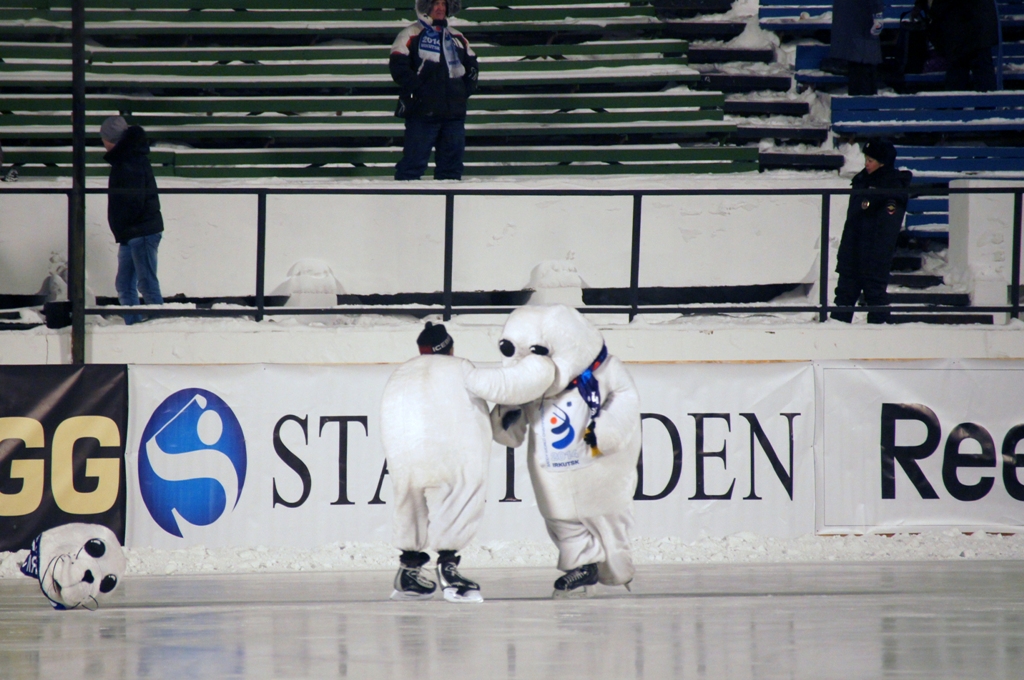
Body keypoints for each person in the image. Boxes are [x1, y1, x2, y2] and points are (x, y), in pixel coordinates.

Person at [379, 321, 487, 603]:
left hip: (405, 452)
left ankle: (408, 570)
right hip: (446, 452)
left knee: (408, 501)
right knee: (460, 495)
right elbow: (497, 389)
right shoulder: (459, 367)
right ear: (448, 348)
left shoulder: (402, 372)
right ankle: (448, 569)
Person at [389, 0, 478, 181]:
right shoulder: (410, 33)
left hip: (453, 115)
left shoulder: (457, 37)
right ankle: (404, 207)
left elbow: (472, 68)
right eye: (435, 3)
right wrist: (421, 91)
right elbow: (399, 68)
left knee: (451, 171)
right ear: (426, 7)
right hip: (422, 113)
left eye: (443, 4)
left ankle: (448, 208)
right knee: (412, 167)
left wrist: (461, 93)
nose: (440, 8)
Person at [832, 140, 913, 324]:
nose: (866, 164)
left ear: (883, 162)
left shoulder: (892, 186)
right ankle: (836, 338)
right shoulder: (862, 180)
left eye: (871, 160)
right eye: (866, 159)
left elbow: (887, 225)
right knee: (844, 296)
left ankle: (879, 341)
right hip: (852, 248)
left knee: (875, 296)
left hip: (874, 253)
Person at [101, 116, 164, 325]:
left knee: (145, 283)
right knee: (126, 283)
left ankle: (158, 326)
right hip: (133, 231)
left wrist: (124, 223)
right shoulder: (128, 158)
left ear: (112, 139)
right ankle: (135, 327)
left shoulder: (129, 160)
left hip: (140, 230)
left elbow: (133, 199)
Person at [915, 0, 999, 91]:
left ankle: (959, 103)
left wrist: (929, 10)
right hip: (973, 26)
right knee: (977, 71)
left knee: (963, 72)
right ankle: (984, 102)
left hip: (966, 27)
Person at [829, 0, 885, 96]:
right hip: (861, 24)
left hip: (851, 24)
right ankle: (864, 106)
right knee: (863, 70)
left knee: (856, 69)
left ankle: (859, 105)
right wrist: (877, 13)